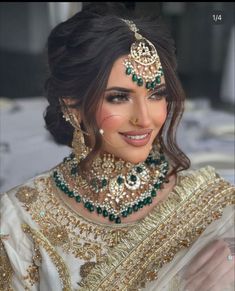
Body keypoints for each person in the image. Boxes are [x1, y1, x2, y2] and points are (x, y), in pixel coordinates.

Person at [0, 4, 234, 291]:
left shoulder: (212, 204)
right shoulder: (21, 221)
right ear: (72, 105)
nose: (145, 119)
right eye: (119, 97)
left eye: (156, 94)